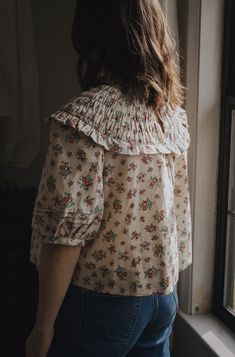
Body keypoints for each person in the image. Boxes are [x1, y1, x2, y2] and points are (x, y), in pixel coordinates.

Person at [26, 0, 192, 356]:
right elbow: (177, 212)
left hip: (102, 300)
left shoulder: (81, 120)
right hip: (163, 296)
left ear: (91, 32)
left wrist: (42, 328)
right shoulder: (168, 115)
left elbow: (65, 235)